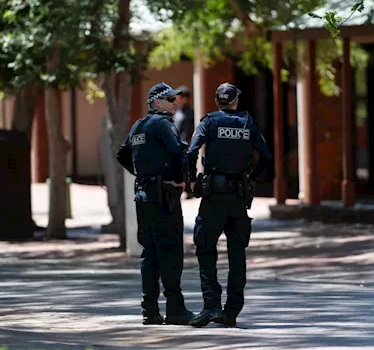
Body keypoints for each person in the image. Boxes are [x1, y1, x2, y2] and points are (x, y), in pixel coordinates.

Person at [186, 82, 272, 327]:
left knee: (205, 250)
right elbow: (266, 155)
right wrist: (252, 179)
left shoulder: (208, 122)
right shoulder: (247, 123)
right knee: (237, 254)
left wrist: (192, 181)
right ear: (235, 101)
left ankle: (210, 306)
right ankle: (231, 311)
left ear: (218, 101)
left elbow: (191, 153)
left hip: (213, 196)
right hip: (237, 197)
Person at [116, 82, 193, 325]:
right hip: (164, 197)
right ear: (156, 102)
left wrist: (142, 174)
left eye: (175, 99)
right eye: (170, 99)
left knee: (149, 254)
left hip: (144, 196)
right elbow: (178, 153)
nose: (175, 103)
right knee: (170, 251)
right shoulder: (163, 124)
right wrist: (180, 182)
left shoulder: (138, 126)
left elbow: (122, 154)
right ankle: (175, 310)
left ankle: (149, 310)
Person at [173, 86, 195, 198]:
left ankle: (187, 190)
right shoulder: (177, 112)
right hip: (176, 144)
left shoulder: (190, 113)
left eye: (181, 96)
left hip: (185, 145)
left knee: (185, 168)